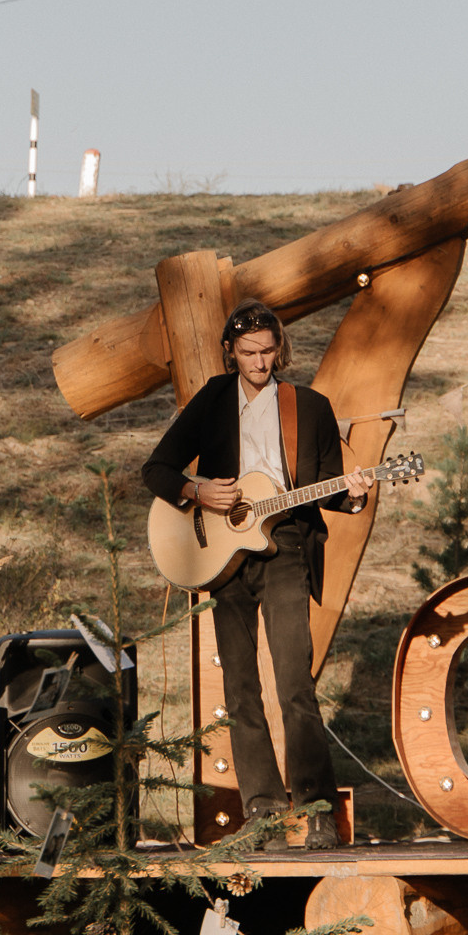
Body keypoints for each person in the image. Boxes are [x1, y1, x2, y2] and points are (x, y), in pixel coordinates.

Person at [142, 300, 375, 851]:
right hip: (223, 557)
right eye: (248, 352)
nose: (260, 362)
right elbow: (156, 468)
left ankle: (316, 812)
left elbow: (330, 486)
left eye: (268, 351)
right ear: (231, 352)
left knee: (296, 682)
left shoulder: (309, 406)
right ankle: (264, 813)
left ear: (280, 350)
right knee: (241, 689)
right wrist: (196, 490)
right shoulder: (213, 402)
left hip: (287, 547)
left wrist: (357, 495)